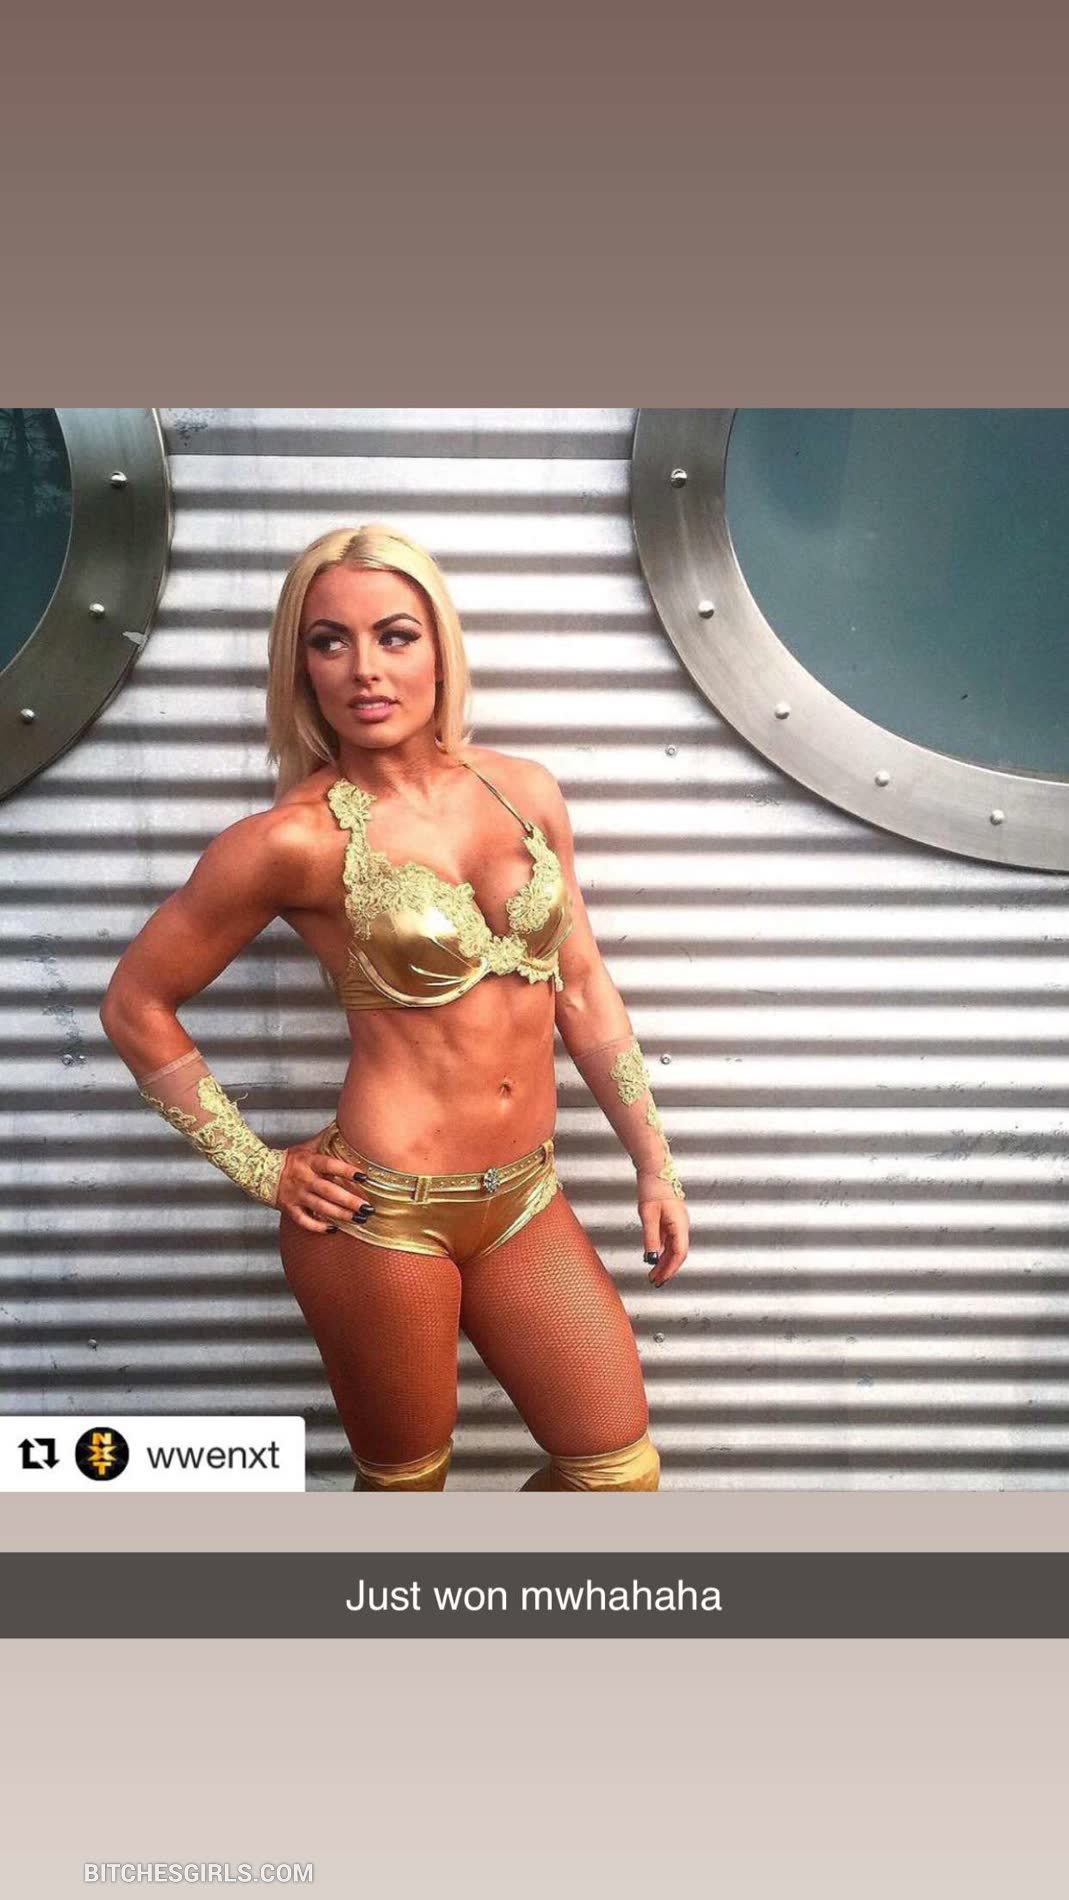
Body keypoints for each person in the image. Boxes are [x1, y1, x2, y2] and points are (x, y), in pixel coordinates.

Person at [100, 525, 690, 1492]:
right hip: (380, 1217)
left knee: (614, 1474)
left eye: (395, 636)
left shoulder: (524, 793)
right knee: (406, 1494)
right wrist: (260, 1168)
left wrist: (652, 1161)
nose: (364, 669)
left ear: (439, 651)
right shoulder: (288, 842)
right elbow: (135, 1004)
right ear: (301, 667)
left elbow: (581, 985)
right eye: (329, 641)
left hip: (524, 1196)